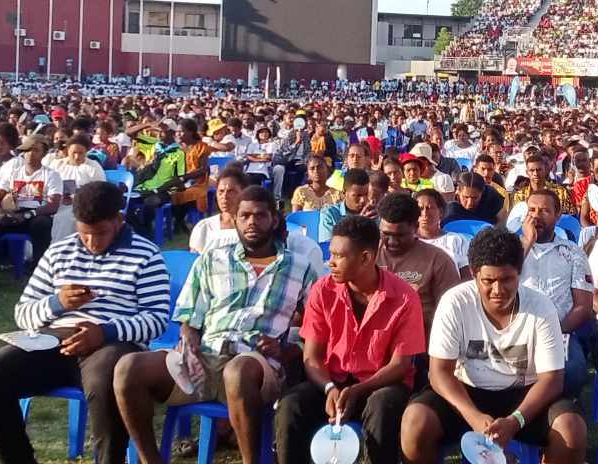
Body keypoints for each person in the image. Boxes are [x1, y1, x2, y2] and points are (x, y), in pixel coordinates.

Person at [114, 186, 321, 464]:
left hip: (256, 365)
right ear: (233, 219)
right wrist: (189, 339)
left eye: (260, 215)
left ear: (274, 219)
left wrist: (288, 349)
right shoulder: (211, 260)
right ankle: (151, 460)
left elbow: (319, 328)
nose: (252, 222)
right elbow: (189, 315)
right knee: (128, 368)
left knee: (238, 370)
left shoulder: (300, 267)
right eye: (244, 215)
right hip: (204, 359)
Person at [0, 181, 169, 464]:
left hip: (113, 343)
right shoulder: (59, 252)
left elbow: (156, 319)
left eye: (100, 233)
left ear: (118, 220)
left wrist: (105, 331)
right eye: (85, 233)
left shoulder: (146, 255)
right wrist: (57, 303)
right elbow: (23, 312)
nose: (92, 242)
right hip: (55, 339)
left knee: (107, 382)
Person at [400, 228, 587, 464]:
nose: (498, 290)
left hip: (524, 396)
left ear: (519, 273)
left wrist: (515, 420)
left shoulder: (541, 307)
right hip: (466, 392)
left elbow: (552, 379)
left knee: (571, 429)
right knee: (415, 421)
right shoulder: (455, 302)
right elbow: (439, 373)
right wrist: (474, 417)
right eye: (488, 281)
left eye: (507, 279)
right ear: (474, 274)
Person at [274, 216, 423, 464]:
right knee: (291, 406)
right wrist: (329, 388)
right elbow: (312, 356)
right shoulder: (323, 290)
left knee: (381, 407)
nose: (330, 262)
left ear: (365, 257)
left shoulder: (404, 297)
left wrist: (359, 390)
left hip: (381, 384)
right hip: (331, 381)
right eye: (330, 253)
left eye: (338, 256)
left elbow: (401, 365)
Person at [516, 190, 595, 397]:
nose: (536, 216)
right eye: (531, 210)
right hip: (517, 330)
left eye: (544, 211)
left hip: (560, 331)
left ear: (558, 215)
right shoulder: (513, 249)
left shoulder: (572, 252)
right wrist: (528, 241)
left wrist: (554, 331)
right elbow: (502, 278)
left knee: (573, 371)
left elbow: (583, 307)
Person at [377, 192, 462, 334]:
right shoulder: (369, 255)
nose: (391, 242)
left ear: (415, 227)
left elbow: (451, 312)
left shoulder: (438, 260)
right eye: (386, 234)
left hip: (421, 341)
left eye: (400, 235)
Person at [0, 134, 64, 277]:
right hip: (13, 213)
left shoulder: (51, 175)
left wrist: (28, 214)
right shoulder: (13, 173)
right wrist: (2, 213)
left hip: (36, 214)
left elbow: (53, 205)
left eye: (35, 150)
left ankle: (39, 270)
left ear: (44, 153)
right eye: (26, 150)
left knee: (42, 223)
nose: (30, 154)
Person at [415, 189, 470, 277]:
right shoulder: (408, 241)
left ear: (440, 212)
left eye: (430, 208)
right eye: (420, 208)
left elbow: (466, 276)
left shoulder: (456, 240)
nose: (425, 213)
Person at [317, 168, 371, 242]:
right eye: (358, 195)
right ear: (344, 192)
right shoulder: (329, 214)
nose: (363, 200)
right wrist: (358, 224)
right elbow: (329, 248)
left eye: (366, 194)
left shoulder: (374, 213)